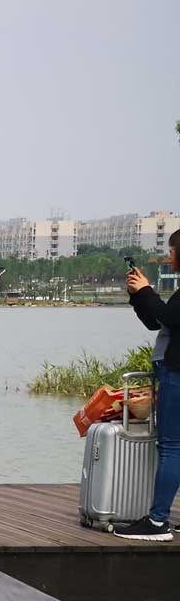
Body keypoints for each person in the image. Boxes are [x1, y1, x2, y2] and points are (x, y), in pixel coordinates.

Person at [117, 230, 180, 541]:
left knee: (172, 446)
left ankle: (157, 521)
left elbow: (168, 317)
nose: (169, 257)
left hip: (176, 373)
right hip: (172, 371)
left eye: (172, 251)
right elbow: (157, 321)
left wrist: (146, 291)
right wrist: (139, 295)